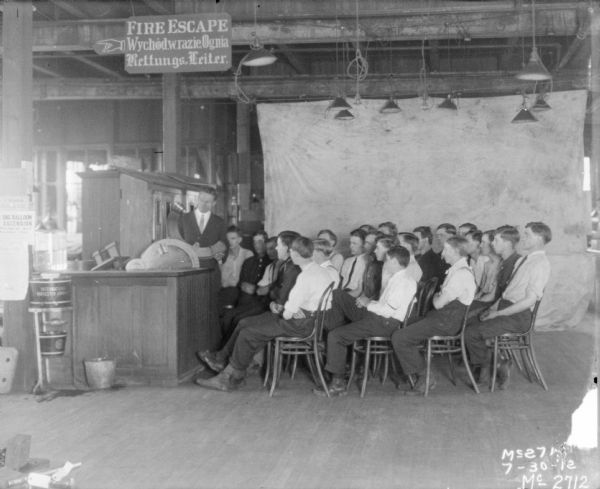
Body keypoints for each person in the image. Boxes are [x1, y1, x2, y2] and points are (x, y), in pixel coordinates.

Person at [195, 236, 334, 392]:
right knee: (248, 326)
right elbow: (324, 302)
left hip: (299, 325)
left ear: (295, 253)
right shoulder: (321, 271)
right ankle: (234, 375)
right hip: (312, 322)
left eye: (290, 251)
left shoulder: (304, 277)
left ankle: (229, 378)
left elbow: (288, 314)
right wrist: (298, 310)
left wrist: (283, 309)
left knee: (248, 333)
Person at [316, 246, 417, 396]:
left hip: (384, 323)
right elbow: (384, 306)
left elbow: (388, 311)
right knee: (338, 295)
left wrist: (368, 304)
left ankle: (338, 383)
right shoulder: (398, 278)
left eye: (388, 260)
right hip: (378, 318)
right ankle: (338, 341)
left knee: (335, 336)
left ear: (395, 261)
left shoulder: (403, 282)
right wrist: (366, 301)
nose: (385, 262)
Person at [465, 222, 551, 390]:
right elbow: (506, 292)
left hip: (519, 316)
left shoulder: (540, 263)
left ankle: (488, 373)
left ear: (540, 238)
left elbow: (528, 301)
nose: (523, 238)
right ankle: (497, 364)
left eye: (527, 235)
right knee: (469, 324)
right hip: (506, 307)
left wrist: (497, 314)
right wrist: (492, 308)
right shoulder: (525, 260)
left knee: (472, 333)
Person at [197, 231, 301, 370]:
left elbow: (278, 297)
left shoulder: (291, 268)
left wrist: (271, 295)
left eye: (278, 246)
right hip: (275, 309)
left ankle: (232, 367)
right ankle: (221, 359)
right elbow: (273, 291)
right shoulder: (285, 266)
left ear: (288, 248)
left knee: (245, 326)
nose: (276, 249)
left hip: (284, 316)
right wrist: (272, 295)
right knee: (240, 321)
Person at [391, 236, 476, 395]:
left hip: (446, 322)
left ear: (456, 251)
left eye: (446, 250)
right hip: (441, 318)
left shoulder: (460, 275)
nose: (443, 253)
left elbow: (437, 303)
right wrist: (438, 296)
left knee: (400, 337)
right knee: (400, 323)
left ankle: (425, 377)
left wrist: (437, 296)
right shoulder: (456, 270)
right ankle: (408, 375)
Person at [220, 236, 278, 338]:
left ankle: (228, 351)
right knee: (227, 316)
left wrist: (255, 289)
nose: (257, 245)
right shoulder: (249, 261)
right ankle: (226, 348)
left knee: (238, 319)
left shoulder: (272, 263)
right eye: (254, 242)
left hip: (262, 303)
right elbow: (242, 284)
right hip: (246, 300)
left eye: (260, 241)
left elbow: (264, 290)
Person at [177, 187, 227, 266]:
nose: (203, 204)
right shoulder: (183, 219)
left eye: (207, 202)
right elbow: (177, 245)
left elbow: (224, 248)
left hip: (211, 271)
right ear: (197, 199)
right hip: (188, 270)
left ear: (214, 203)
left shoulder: (220, 222)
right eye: (201, 200)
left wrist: (220, 257)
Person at [218, 226, 254, 311]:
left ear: (240, 240)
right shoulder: (222, 256)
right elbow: (221, 279)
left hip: (241, 291)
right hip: (226, 291)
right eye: (228, 239)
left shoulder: (247, 254)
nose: (229, 241)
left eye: (233, 238)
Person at [339, 228, 368, 298]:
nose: (350, 246)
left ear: (364, 245)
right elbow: (341, 282)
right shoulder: (347, 261)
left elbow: (361, 290)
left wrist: (341, 297)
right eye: (350, 243)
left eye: (354, 243)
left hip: (355, 297)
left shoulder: (368, 262)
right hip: (342, 293)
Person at [474, 230, 501, 303]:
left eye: (483, 242)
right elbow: (481, 291)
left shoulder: (501, 264)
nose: (480, 245)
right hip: (483, 299)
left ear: (492, 244)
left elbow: (493, 295)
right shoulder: (487, 264)